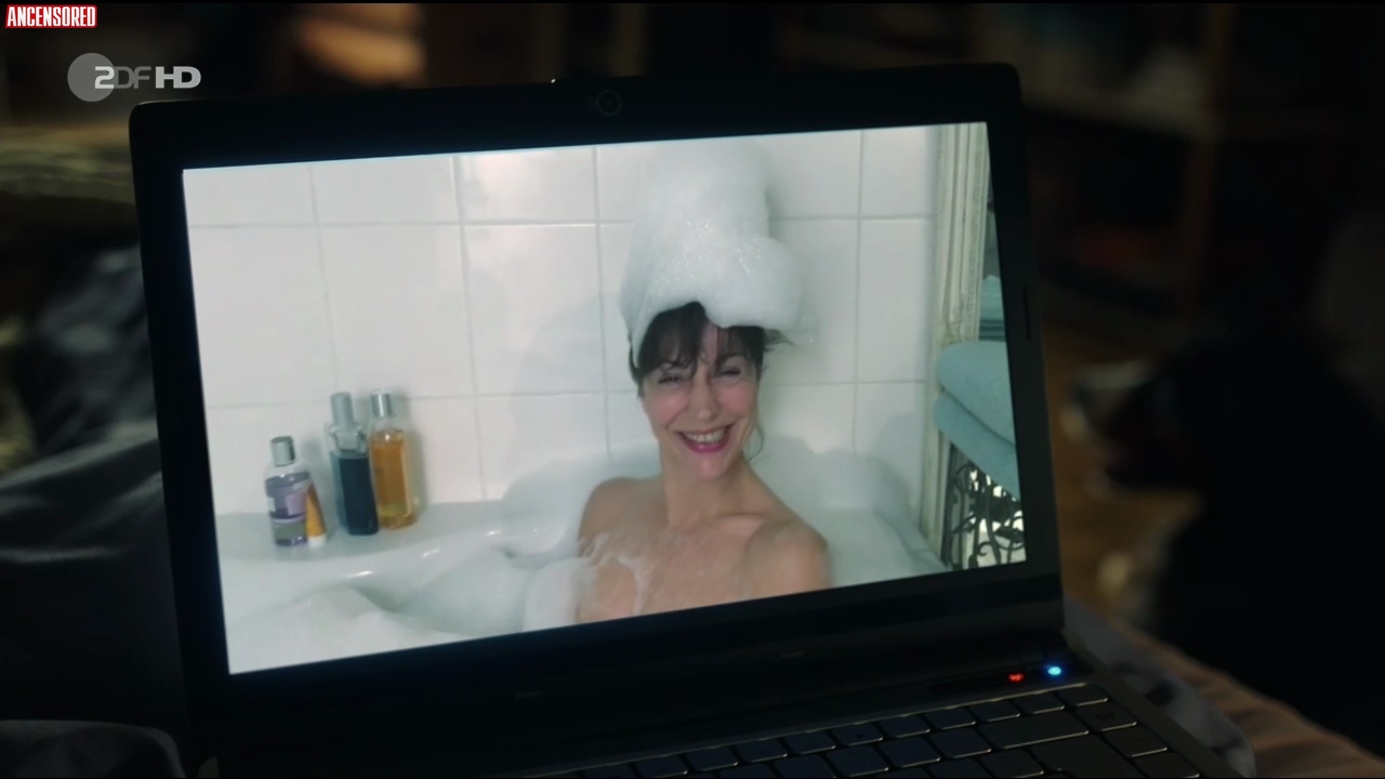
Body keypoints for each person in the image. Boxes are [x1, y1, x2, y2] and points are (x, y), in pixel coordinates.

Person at [575, 302, 831, 623]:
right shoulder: (606, 509)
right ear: (643, 393)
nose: (704, 408)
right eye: (672, 377)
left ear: (758, 377)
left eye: (728, 372)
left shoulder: (787, 557)